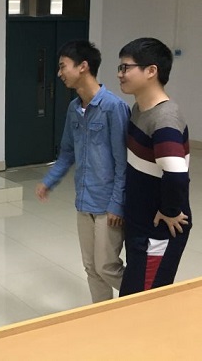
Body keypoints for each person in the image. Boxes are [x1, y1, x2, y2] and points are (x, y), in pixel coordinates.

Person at [35, 40, 130, 303]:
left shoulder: (113, 107)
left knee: (106, 267)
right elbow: (67, 152)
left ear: (83, 66)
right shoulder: (74, 109)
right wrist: (49, 181)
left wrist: (118, 204)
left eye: (62, 66)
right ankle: (102, 317)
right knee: (91, 268)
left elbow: (123, 162)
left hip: (108, 205)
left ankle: (147, 299)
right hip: (84, 200)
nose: (59, 73)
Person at [116, 38, 191, 296]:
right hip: (140, 222)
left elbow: (177, 174)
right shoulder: (140, 109)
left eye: (126, 67)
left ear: (151, 71)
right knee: (133, 294)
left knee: (143, 300)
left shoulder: (164, 118)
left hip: (157, 232)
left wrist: (170, 210)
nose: (120, 74)